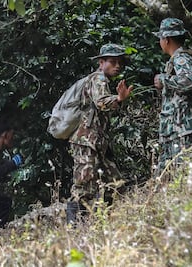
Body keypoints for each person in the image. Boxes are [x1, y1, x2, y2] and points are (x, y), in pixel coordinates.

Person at [66, 43, 133, 224]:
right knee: (82, 187)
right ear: (101, 62)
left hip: (96, 142)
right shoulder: (98, 79)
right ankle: (74, 230)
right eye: (112, 61)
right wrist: (118, 99)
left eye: (120, 62)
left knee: (115, 182)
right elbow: (101, 102)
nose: (117, 66)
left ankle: (102, 222)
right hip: (86, 142)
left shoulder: (101, 81)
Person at [152, 18, 192, 177]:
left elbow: (190, 81)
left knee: (184, 173)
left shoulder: (181, 58)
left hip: (182, 128)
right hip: (175, 129)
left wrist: (163, 79)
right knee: (166, 175)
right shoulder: (176, 59)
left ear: (166, 40)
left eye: (160, 38)